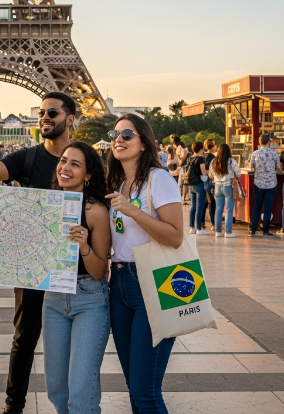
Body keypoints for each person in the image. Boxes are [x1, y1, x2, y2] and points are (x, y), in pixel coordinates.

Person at [0, 92, 76, 414]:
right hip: (34, 265)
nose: (45, 117)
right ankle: (13, 405)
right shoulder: (28, 158)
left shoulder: (83, 160)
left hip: (74, 266)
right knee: (24, 337)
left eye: (53, 112)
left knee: (72, 345)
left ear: (70, 119)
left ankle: (72, 405)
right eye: (42, 112)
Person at [106, 113, 184, 413]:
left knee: (146, 391)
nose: (119, 139)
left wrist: (132, 211)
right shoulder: (116, 181)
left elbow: (176, 236)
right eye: (116, 134)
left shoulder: (158, 178)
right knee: (134, 389)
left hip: (153, 280)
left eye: (127, 134)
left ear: (144, 142)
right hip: (120, 283)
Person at [41, 142, 111, 414]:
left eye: (75, 164)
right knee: (58, 391)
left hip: (89, 299)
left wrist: (84, 247)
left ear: (89, 174)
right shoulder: (46, 205)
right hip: (54, 300)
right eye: (63, 161)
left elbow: (98, 271)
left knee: (81, 396)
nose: (65, 168)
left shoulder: (95, 211)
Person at [249, 134, 281, 237]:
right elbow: (279, 168)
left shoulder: (255, 154)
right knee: (268, 208)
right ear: (269, 142)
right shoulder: (274, 154)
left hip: (258, 183)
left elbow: (252, 168)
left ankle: (253, 230)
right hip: (271, 183)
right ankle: (266, 231)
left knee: (257, 207)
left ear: (259, 142)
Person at [209, 144, 240, 238]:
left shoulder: (213, 161)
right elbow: (238, 173)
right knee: (229, 210)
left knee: (218, 209)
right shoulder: (231, 161)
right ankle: (228, 232)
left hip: (217, 186)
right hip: (228, 186)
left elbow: (210, 175)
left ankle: (218, 231)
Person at [185, 142, 209, 235]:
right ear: (201, 149)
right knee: (200, 207)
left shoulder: (190, 158)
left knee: (193, 207)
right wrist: (210, 171)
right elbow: (203, 172)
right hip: (199, 184)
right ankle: (199, 228)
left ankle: (192, 227)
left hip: (192, 185)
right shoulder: (200, 159)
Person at [202, 139, 217, 229]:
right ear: (213, 146)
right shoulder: (212, 156)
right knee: (211, 202)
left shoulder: (203, 155)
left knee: (205, 203)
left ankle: (202, 222)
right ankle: (213, 223)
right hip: (209, 180)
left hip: (203, 179)